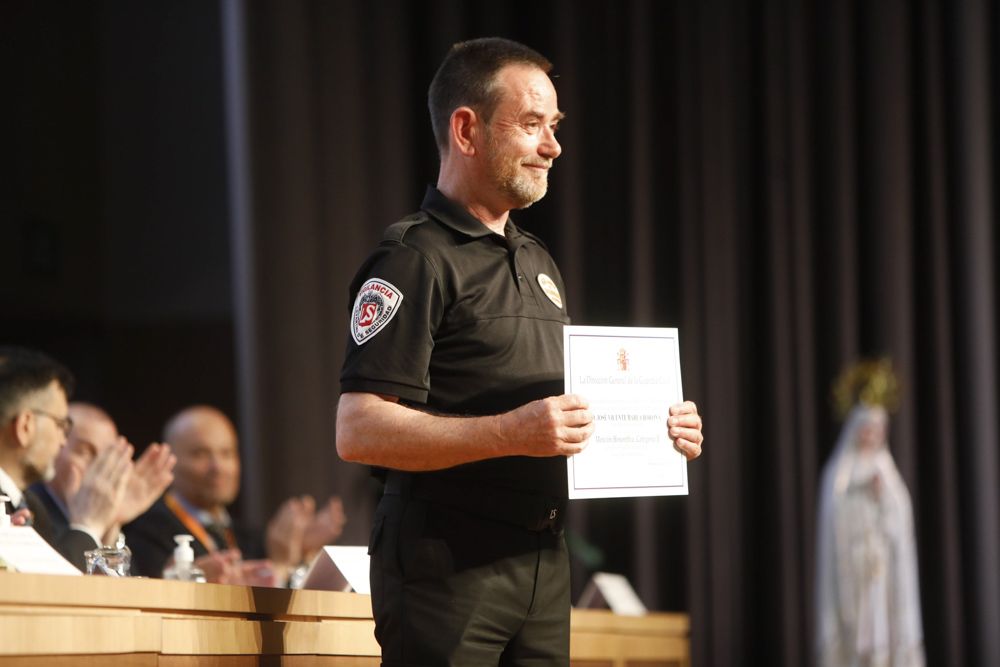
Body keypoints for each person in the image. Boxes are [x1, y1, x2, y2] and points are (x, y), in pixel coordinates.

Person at [336, 37, 705, 666]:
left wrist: (657, 427)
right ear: (466, 130)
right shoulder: (412, 258)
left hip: (541, 559)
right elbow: (359, 430)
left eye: (554, 126)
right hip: (445, 565)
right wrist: (511, 432)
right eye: (532, 124)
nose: (553, 146)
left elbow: (564, 415)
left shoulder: (536, 259)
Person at [125, 405, 346, 585]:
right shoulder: (145, 529)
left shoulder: (247, 536)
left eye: (226, 453)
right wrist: (278, 563)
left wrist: (299, 550)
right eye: (201, 454)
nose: (217, 466)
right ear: (169, 461)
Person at [816, 362, 924, 666]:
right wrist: (856, 494)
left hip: (881, 574)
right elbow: (834, 524)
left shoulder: (887, 473)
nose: (871, 435)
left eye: (877, 429)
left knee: (881, 638)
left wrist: (882, 499)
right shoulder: (838, 475)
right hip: (852, 573)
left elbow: (900, 521)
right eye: (866, 428)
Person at [0, 346, 117, 570]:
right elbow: (51, 588)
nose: (63, 441)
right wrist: (87, 525)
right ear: (25, 426)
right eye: (61, 425)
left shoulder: (33, 507)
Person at [28, 402, 176, 555]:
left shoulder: (124, 527)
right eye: (85, 452)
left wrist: (110, 524)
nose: (99, 467)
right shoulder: (29, 510)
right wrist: (88, 524)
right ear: (55, 447)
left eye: (107, 455)